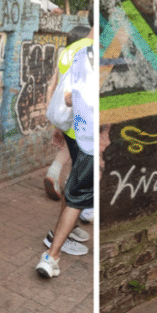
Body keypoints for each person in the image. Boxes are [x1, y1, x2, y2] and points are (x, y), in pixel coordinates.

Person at [36, 43, 96, 278]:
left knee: (75, 188)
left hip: (77, 129)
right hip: (93, 138)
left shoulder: (79, 51)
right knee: (78, 195)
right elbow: (69, 96)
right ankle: (53, 253)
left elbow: (63, 92)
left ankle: (58, 244)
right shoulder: (100, 55)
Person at [44, 24, 93, 200]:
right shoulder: (85, 53)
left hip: (64, 112)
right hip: (79, 111)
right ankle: (76, 196)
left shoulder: (65, 54)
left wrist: (56, 123)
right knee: (82, 157)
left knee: (69, 147)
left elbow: (54, 84)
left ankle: (53, 173)